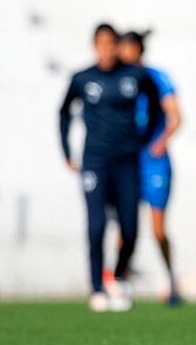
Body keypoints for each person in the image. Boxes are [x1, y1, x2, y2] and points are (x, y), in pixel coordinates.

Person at [59, 23, 161, 312]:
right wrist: (67, 150)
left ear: (116, 45)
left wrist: (145, 137)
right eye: (100, 44)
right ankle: (96, 288)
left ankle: (117, 277)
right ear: (95, 46)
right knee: (96, 226)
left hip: (127, 161)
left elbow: (155, 104)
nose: (106, 49)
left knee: (130, 228)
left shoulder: (134, 76)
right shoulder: (82, 78)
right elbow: (64, 112)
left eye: (110, 43)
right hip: (95, 162)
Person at [117, 30, 183, 306]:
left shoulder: (156, 77)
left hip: (154, 163)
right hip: (128, 161)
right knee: (124, 229)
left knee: (157, 230)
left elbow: (176, 117)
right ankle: (120, 285)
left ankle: (171, 280)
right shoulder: (116, 80)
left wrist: (160, 142)